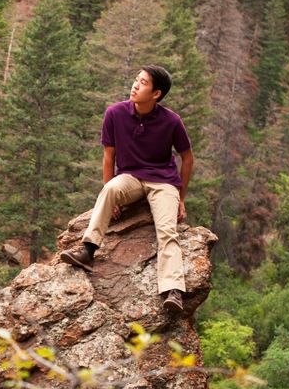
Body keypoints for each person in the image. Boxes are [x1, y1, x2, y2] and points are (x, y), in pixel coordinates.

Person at [60, 65, 194, 313]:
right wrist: (115, 200)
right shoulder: (115, 113)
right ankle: (88, 250)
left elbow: (187, 157)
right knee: (110, 190)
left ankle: (172, 289)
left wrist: (181, 198)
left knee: (167, 230)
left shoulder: (172, 121)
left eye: (143, 83)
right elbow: (108, 157)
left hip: (163, 182)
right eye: (136, 80)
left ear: (156, 94)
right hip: (130, 177)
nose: (135, 85)